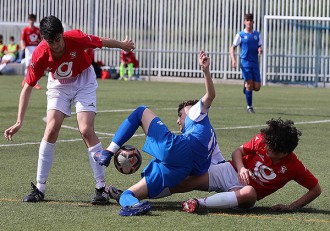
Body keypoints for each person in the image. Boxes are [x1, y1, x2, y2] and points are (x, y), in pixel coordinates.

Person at [4, 15, 135, 204]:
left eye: (58, 39)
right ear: (43, 39)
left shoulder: (76, 38)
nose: (56, 45)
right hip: (59, 85)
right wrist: (18, 121)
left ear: (62, 35)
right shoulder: (40, 54)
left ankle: (101, 189)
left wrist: (122, 45)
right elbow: (27, 87)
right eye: (51, 41)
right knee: (50, 129)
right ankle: (40, 188)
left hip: (84, 80)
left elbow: (101, 41)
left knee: (85, 130)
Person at [95, 51, 224, 216]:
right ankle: (132, 204)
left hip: (179, 151)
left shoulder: (194, 112)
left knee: (141, 111)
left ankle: (108, 152)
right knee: (130, 194)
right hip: (182, 170)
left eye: (180, 115)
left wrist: (205, 71)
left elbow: (210, 95)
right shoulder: (211, 140)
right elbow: (219, 165)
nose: (178, 121)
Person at [180, 118, 321, 213]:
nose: (265, 148)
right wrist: (241, 168)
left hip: (245, 194)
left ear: (284, 152)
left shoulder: (294, 166)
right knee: (187, 180)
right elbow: (237, 152)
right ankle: (156, 191)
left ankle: (197, 203)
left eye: (270, 148)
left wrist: (291, 207)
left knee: (249, 193)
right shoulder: (262, 140)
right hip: (230, 171)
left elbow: (316, 189)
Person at [230, 13, 262, 114]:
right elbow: (232, 48)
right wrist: (234, 60)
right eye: (247, 20)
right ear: (244, 22)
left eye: (250, 20)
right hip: (245, 62)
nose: (248, 22)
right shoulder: (240, 35)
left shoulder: (257, 35)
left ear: (253, 22)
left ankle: (246, 87)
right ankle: (249, 107)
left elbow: (260, 46)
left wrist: (260, 49)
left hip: (255, 63)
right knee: (249, 84)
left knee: (256, 87)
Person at [21, 14, 42, 89]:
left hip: (36, 48)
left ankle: (37, 83)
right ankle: (25, 80)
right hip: (28, 48)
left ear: (35, 20)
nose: (31, 21)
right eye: (30, 20)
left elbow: (41, 40)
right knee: (27, 65)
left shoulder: (37, 30)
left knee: (36, 65)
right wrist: (23, 46)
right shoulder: (25, 30)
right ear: (28, 20)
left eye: (33, 20)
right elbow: (22, 39)